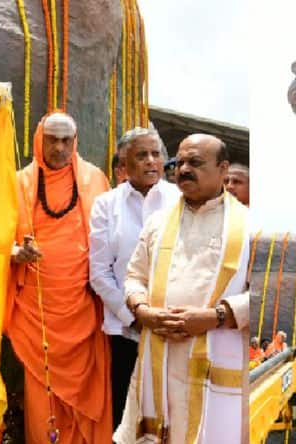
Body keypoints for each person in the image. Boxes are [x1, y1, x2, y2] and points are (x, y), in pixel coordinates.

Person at [114, 134, 250, 444]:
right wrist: (143, 311)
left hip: (214, 356)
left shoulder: (249, 226)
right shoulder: (158, 222)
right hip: (157, 353)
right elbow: (134, 276)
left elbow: (266, 293)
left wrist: (216, 316)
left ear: (223, 169)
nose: (184, 169)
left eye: (196, 163)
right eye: (181, 162)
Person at [6, 112, 112, 444]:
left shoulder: (95, 179)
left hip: (83, 305)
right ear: (40, 139)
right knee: (42, 394)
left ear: (75, 141)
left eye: (67, 139)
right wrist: (14, 252)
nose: (60, 147)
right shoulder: (19, 183)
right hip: (36, 310)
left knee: (87, 389)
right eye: (52, 138)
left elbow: (111, 240)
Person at [89, 127, 180, 433]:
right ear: (124, 165)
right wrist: (134, 317)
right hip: (126, 330)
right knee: (127, 417)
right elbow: (100, 272)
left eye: (156, 154)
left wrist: (167, 318)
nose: (151, 161)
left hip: (174, 327)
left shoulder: (179, 200)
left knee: (172, 413)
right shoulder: (106, 204)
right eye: (142, 155)